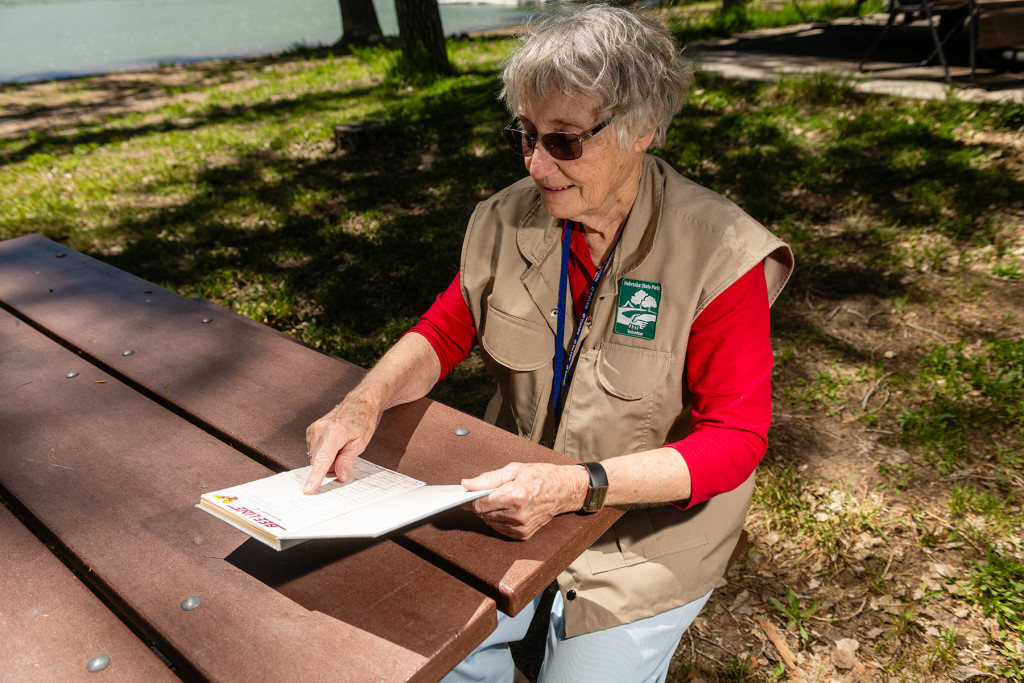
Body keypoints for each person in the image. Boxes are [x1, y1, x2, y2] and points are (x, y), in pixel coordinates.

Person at [303, 4, 794, 682]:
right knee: (430, 664)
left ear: (644, 126)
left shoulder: (721, 253)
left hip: (641, 542)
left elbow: (736, 439)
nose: (536, 165)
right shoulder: (507, 217)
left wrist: (577, 485)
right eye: (525, 135)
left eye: (564, 141)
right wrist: (365, 400)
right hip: (509, 507)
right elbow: (445, 330)